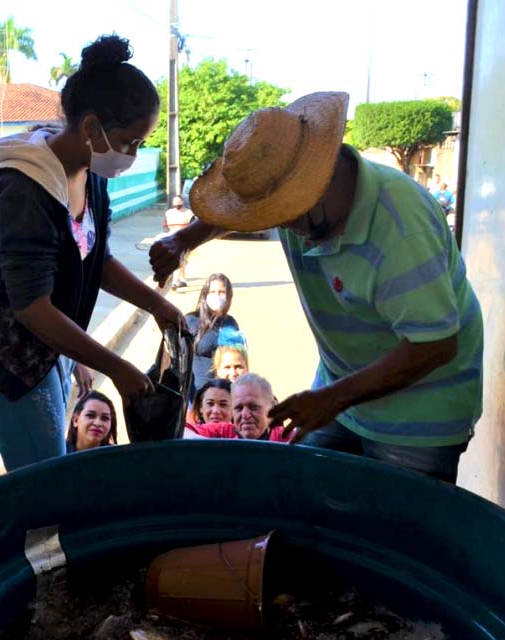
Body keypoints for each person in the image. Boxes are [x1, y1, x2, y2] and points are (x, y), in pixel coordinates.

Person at [150, 92, 483, 483]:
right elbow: (237, 213)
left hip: (419, 414)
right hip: (342, 387)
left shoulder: (400, 226)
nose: (280, 226)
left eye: (282, 214)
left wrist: (333, 398)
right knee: (310, 494)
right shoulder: (300, 205)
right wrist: (185, 239)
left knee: (392, 529)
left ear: (316, 182)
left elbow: (436, 345)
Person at [0, 34, 185, 487]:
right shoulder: (24, 191)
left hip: (25, 330)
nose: (133, 154)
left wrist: (157, 305)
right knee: (45, 476)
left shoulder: (89, 172)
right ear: (90, 128)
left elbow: (94, 258)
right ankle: (20, 546)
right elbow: (32, 308)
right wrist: (116, 368)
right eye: (129, 141)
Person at [190, 373, 292, 442]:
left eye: (253, 407)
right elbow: (182, 432)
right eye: (238, 408)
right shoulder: (224, 432)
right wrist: (212, 449)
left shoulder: (283, 437)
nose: (245, 415)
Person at [185, 273, 240, 394]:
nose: (217, 296)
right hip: (196, 394)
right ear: (205, 295)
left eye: (221, 292)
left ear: (228, 296)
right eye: (212, 292)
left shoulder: (230, 323)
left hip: (223, 394)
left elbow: (239, 359)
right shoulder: (191, 321)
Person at [163, 195, 194, 290]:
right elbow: (165, 226)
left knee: (181, 260)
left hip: (184, 239)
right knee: (180, 260)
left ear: (182, 202)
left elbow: (193, 228)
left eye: (179, 203)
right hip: (171, 239)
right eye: (175, 203)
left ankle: (177, 281)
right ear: (173, 204)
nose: (177, 205)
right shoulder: (169, 213)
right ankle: (179, 281)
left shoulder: (189, 213)